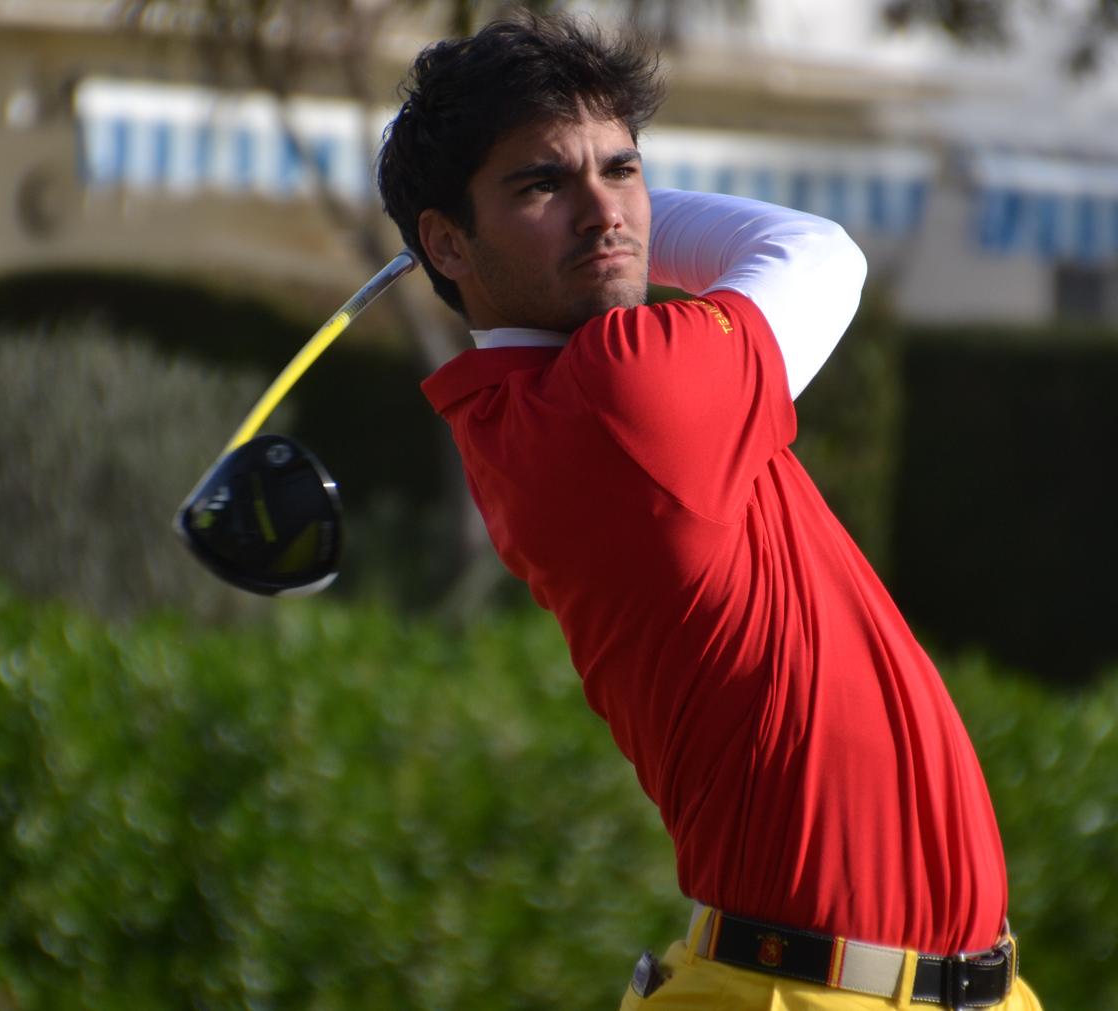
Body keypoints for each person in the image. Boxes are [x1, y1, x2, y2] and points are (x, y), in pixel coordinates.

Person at [378, 12, 1042, 1011]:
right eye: (542, 184)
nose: (603, 212)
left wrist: (578, 211)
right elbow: (817, 253)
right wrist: (648, 215)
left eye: (624, 169)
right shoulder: (621, 389)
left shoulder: (550, 400)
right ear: (446, 240)